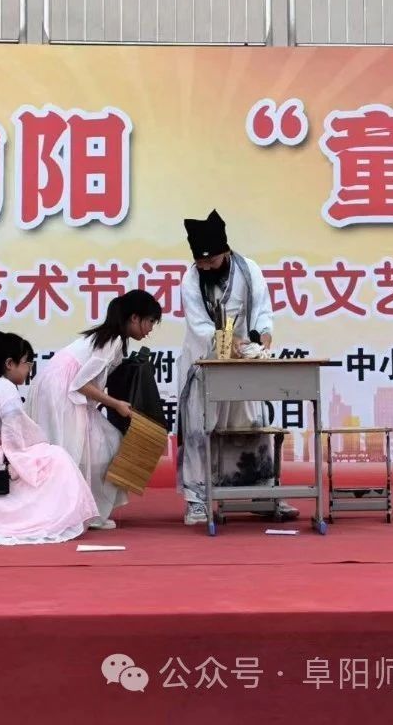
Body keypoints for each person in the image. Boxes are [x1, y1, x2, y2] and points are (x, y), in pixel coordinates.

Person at [176, 209, 296, 525]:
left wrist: (262, 339)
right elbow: (200, 326)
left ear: (225, 252)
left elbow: (263, 313)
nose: (206, 267)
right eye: (201, 262)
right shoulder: (190, 279)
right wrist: (229, 344)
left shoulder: (249, 270)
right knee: (200, 428)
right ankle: (197, 499)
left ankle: (262, 494)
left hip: (243, 362)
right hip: (204, 361)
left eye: (212, 261)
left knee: (251, 425)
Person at [0, 328, 98, 546]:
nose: (29, 369)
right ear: (9, 363)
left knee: (41, 459)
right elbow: (18, 436)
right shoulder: (2, 387)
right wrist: (40, 449)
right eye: (27, 363)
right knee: (56, 457)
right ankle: (49, 517)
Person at [27, 290, 162, 529]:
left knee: (98, 445)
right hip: (62, 393)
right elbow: (81, 383)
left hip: (57, 388)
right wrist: (116, 404)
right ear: (134, 318)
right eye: (150, 321)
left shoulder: (107, 338)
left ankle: (86, 511)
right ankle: (79, 514)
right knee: (74, 452)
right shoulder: (113, 340)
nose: (151, 329)